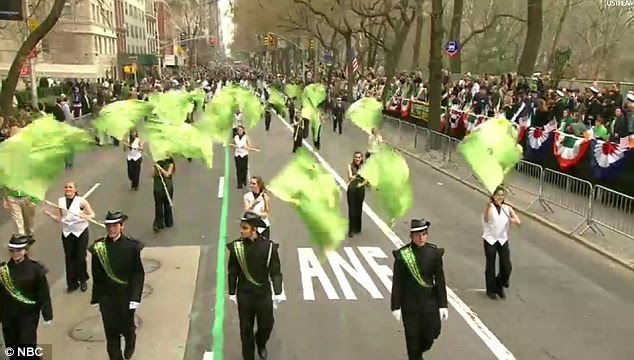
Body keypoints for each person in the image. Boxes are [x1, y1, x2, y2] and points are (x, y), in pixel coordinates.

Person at [227, 212, 283, 360]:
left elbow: (275, 271)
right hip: (244, 294)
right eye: (241, 227)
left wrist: (278, 291)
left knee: (267, 325)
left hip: (263, 294)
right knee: (245, 330)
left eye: (245, 228)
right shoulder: (237, 247)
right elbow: (232, 271)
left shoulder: (268, 247)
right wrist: (232, 292)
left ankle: (261, 342)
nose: (241, 230)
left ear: (254, 229)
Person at [89, 211, 145, 360]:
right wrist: (95, 298)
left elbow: (138, 273)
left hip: (125, 297)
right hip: (107, 298)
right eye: (109, 226)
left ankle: (130, 341)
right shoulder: (99, 248)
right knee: (111, 334)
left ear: (122, 226)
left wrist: (135, 297)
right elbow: (97, 276)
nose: (112, 229)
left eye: (115, 226)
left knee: (127, 329)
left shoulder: (132, 247)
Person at [391, 218, 448, 360]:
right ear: (412, 237)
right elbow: (397, 282)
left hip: (429, 302)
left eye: (424, 234)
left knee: (432, 333)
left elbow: (440, 279)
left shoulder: (434, 253)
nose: (422, 237)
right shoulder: (403, 255)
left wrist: (443, 304)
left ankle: (418, 353)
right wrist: (395, 306)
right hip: (410, 304)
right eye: (418, 235)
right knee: (412, 340)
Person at [0, 235, 53, 358]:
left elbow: (43, 294)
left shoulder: (35, 269)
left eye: (19, 250)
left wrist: (47, 314)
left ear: (26, 251)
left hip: (28, 315)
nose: (15, 253)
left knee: (26, 345)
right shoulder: (3, 270)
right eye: (12, 250)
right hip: (8, 316)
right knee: (12, 347)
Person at [43, 182, 95, 293]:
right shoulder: (61, 201)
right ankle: (72, 284)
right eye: (66, 187)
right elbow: (61, 218)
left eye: (70, 187)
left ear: (75, 189)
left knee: (80, 257)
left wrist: (85, 216)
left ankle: (83, 279)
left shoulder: (81, 201)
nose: (68, 189)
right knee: (69, 258)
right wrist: (50, 215)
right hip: (67, 233)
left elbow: (92, 214)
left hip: (80, 232)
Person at [482, 185, 520, 300]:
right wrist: (489, 207)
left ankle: (499, 285)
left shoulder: (507, 208)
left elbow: (517, 221)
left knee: (506, 266)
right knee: (491, 265)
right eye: (498, 195)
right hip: (490, 239)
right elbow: (486, 219)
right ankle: (490, 289)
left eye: (502, 195)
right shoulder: (490, 207)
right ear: (493, 196)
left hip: (502, 239)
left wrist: (513, 219)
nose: (500, 197)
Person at [346, 152, 367, 238]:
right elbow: (350, 177)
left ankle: (357, 227)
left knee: (359, 208)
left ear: (361, 158)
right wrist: (359, 174)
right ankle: (351, 229)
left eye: (359, 157)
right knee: (352, 209)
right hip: (352, 189)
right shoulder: (350, 166)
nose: (357, 159)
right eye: (356, 157)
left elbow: (366, 179)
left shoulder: (364, 167)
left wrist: (361, 184)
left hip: (360, 188)